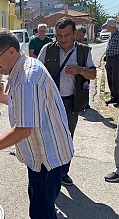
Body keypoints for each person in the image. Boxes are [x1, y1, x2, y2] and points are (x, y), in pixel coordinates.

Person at [0, 28, 74, 219]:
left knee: (42, 213)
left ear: (11, 51)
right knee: (39, 205)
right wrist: (1, 97)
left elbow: (24, 129)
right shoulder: (22, 68)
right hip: (38, 156)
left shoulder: (27, 78)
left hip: (48, 158)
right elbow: (27, 104)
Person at [37, 17, 96, 186]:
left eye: (67, 35)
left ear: (75, 33)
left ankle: (63, 172)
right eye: (59, 35)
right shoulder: (47, 49)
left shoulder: (84, 51)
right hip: (49, 102)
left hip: (71, 102)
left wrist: (79, 70)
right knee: (47, 136)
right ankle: (48, 170)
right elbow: (36, 72)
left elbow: (92, 74)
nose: (63, 39)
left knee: (67, 138)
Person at [102, 18, 119, 106]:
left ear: (111, 26)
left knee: (116, 79)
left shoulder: (118, 35)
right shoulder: (111, 35)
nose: (106, 27)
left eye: (107, 26)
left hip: (116, 59)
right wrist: (106, 60)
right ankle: (114, 97)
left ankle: (117, 98)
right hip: (110, 59)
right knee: (110, 79)